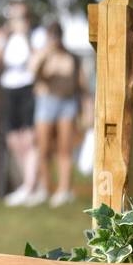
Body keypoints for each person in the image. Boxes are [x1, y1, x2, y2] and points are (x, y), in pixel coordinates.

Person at [0, 1, 44, 205]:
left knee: (29, 138)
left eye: (18, 17)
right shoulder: (4, 37)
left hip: (28, 87)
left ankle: (30, 186)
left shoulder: (36, 36)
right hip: (9, 88)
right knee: (14, 140)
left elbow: (37, 62)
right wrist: (1, 41)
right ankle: (29, 185)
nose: (14, 22)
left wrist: (26, 36)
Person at [28, 22, 89, 207]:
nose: (55, 39)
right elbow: (33, 73)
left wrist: (86, 110)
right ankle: (45, 188)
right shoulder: (41, 54)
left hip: (67, 103)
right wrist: (46, 54)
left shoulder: (72, 58)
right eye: (52, 35)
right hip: (46, 101)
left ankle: (64, 190)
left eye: (57, 35)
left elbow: (82, 86)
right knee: (44, 148)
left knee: (65, 148)